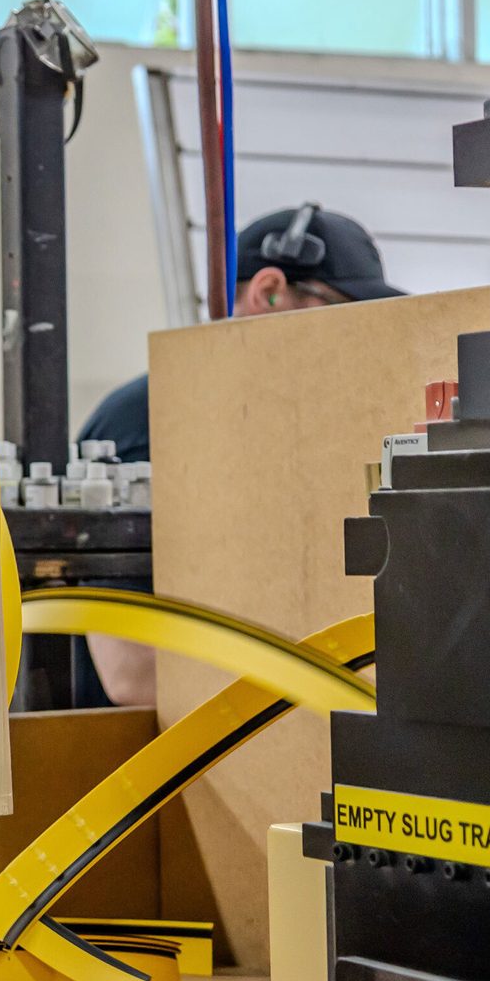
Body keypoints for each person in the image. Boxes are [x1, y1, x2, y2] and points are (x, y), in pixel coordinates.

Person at [72, 203, 404, 708]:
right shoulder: (148, 422)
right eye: (345, 315)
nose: (357, 343)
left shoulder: (282, 435)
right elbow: (134, 675)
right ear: (268, 291)